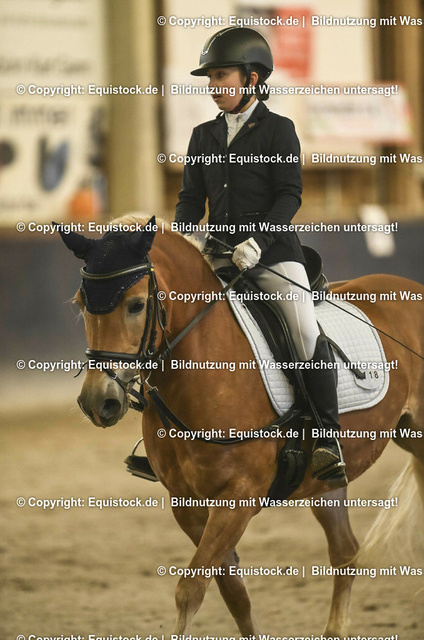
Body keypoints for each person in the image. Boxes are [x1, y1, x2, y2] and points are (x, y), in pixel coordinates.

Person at [174, 27, 347, 488]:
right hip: (218, 255)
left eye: (222, 76)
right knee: (174, 323)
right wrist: (183, 237)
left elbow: (290, 195)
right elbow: (190, 199)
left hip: (271, 254)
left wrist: (259, 241)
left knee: (303, 329)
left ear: (252, 78)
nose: (214, 86)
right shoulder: (203, 136)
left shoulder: (278, 130)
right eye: (210, 78)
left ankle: (327, 437)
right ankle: (168, 440)